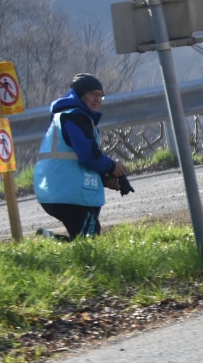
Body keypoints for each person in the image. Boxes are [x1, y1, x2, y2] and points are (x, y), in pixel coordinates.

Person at [33, 74, 131, 240]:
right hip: (66, 193)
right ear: (80, 94)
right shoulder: (75, 117)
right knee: (89, 240)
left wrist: (105, 179)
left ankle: (49, 240)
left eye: (101, 95)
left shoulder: (69, 116)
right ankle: (50, 241)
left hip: (60, 191)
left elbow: (76, 160)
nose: (97, 99)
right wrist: (113, 166)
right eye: (93, 94)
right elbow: (88, 156)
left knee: (83, 239)